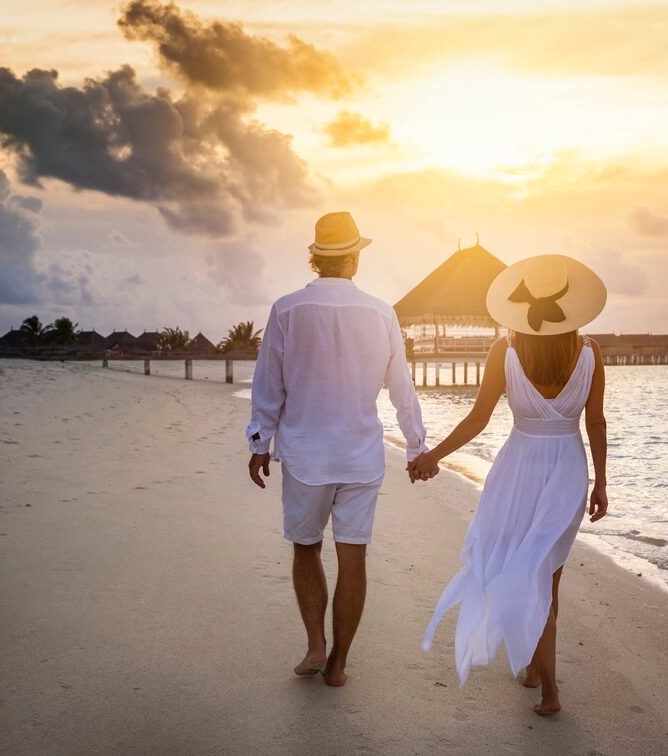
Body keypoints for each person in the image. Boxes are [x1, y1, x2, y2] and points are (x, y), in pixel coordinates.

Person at [411, 254, 609, 716]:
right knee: (547, 572)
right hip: (567, 468)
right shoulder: (590, 351)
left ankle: (550, 689)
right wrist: (601, 482)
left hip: (518, 468)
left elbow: (478, 419)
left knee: (530, 570)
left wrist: (431, 457)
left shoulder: (506, 350)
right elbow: (596, 422)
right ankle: (538, 672)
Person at [246, 211, 434, 686]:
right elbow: (400, 387)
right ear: (354, 258)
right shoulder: (380, 312)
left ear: (315, 258)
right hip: (360, 456)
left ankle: (315, 644)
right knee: (354, 557)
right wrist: (416, 445)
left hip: (306, 453)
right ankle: (338, 665)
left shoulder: (286, 309)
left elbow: (269, 382)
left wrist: (259, 441)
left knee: (306, 548)